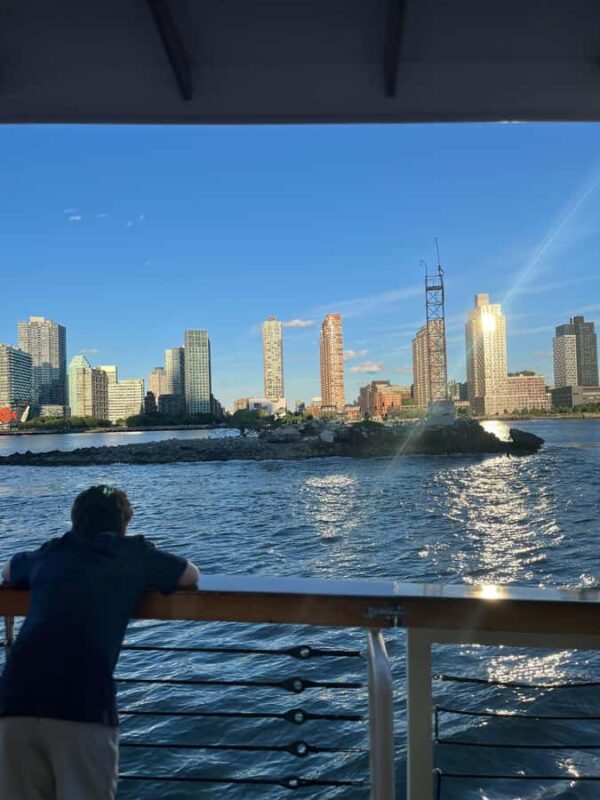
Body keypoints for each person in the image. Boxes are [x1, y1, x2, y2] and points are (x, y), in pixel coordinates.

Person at [0, 484, 199, 800]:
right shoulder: (134, 553)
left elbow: (9, 571)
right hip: (81, 703)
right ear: (124, 525)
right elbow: (190, 576)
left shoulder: (51, 551)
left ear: (75, 521)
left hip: (14, 700)